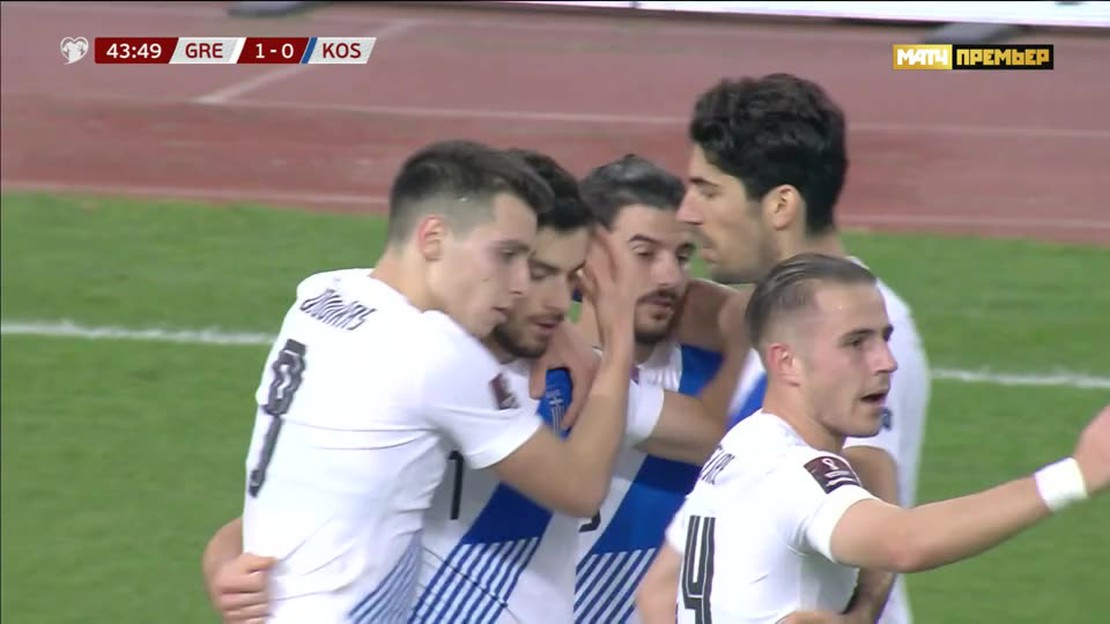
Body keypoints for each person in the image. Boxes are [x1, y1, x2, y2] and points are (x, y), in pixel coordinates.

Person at [204, 148, 747, 624]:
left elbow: (712, 435)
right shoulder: (441, 361)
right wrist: (224, 559)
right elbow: (305, 495)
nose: (551, 298)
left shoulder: (571, 377)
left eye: (569, 277)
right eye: (528, 268)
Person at [660, 252, 1110, 623]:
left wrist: (863, 611)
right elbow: (904, 542)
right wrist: (1077, 474)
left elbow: (872, 477)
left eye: (884, 338)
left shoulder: (745, 444)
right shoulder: (793, 472)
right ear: (787, 362)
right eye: (856, 343)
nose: (886, 362)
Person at [637, 73, 932, 624]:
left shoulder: (862, 328)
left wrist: (859, 616)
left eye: (708, 190)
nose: (688, 212)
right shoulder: (780, 318)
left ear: (780, 206)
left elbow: (868, 475)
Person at [573, 154, 767, 624]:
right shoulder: (553, 373)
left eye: (682, 257)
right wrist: (737, 323)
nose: (670, 278)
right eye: (644, 254)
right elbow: (720, 437)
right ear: (582, 256)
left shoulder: (715, 374)